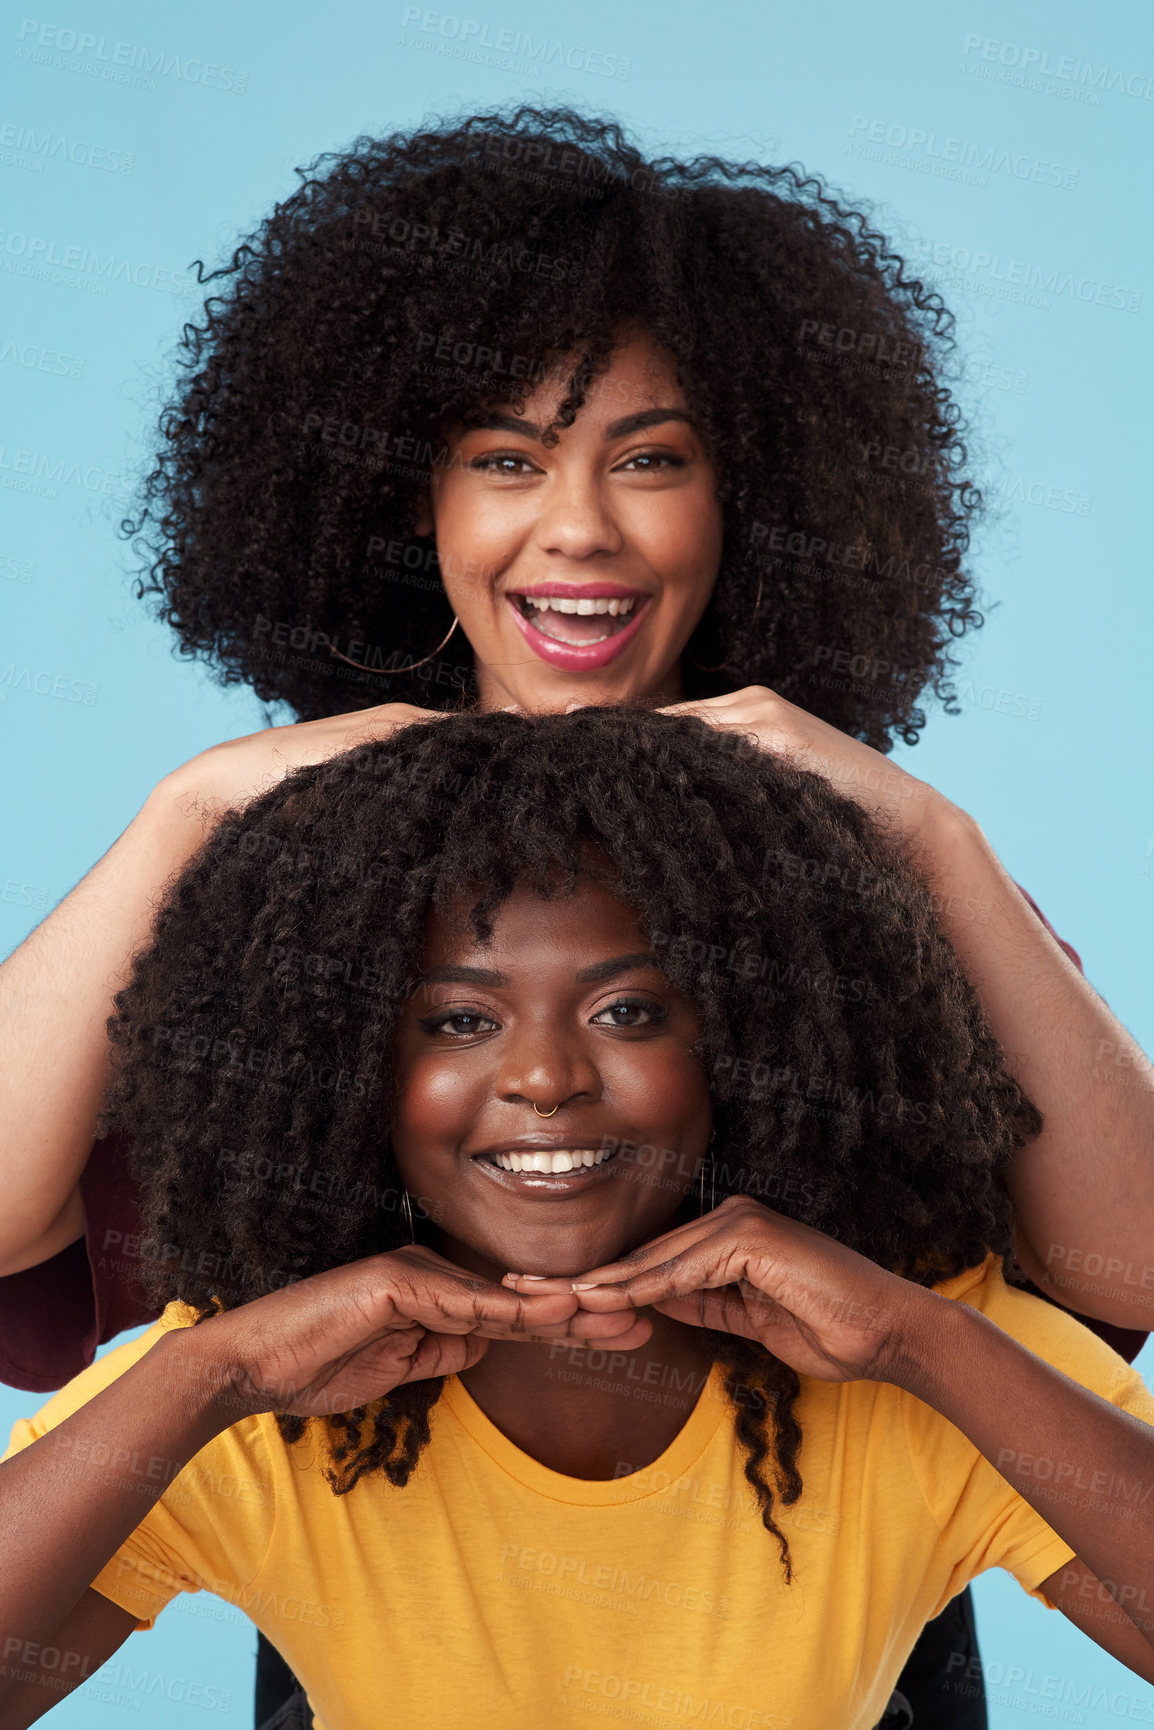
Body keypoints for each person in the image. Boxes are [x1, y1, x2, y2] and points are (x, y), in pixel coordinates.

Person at [2, 107, 1152, 1728]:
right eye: (503, 458)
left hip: (826, 1596)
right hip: (388, 1563)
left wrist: (922, 832)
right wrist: (191, 814)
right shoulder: (287, 904)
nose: (580, 528)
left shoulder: (858, 898)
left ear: (739, 495)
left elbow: (1124, 1264)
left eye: (651, 458)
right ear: (410, 496)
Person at [2, 708, 1154, 1730]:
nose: (546, 1075)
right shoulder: (266, 1382)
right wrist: (211, 1375)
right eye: (457, 1021)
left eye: (627, 1008)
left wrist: (921, 1344)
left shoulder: (911, 1351)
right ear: (342, 1067)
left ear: (740, 1050)